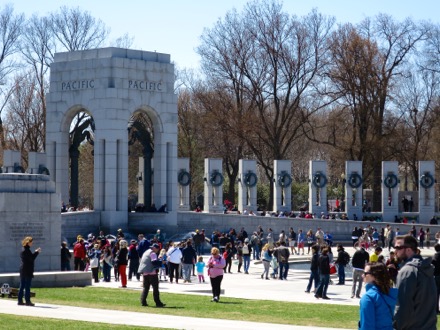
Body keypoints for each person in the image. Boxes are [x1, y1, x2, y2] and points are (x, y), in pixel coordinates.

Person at [393, 235, 437, 330]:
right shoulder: (427, 268)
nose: (395, 251)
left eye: (398, 247)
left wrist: (396, 325)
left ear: (408, 250)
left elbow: (403, 306)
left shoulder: (407, 271)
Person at [359, 262, 398, 330]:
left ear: (374, 276)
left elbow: (367, 326)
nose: (363, 275)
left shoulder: (368, 297)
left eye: (365, 273)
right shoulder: (392, 294)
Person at [138, 243, 166, 307]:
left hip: (145, 273)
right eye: (157, 249)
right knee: (155, 288)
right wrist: (161, 262)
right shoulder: (153, 254)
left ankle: (143, 301)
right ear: (155, 249)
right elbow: (154, 262)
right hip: (152, 273)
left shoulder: (146, 252)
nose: (158, 251)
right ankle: (158, 302)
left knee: (146, 288)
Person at [18, 236, 41, 306]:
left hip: (23, 270)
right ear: (28, 243)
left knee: (22, 286)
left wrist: (35, 252)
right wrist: (37, 252)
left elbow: (30, 258)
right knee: (27, 286)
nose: (32, 244)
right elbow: (31, 259)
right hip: (27, 270)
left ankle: (20, 301)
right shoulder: (26, 250)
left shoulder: (23, 250)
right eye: (31, 242)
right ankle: (27, 301)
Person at [432, 243, 440, 314]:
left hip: (437, 275)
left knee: (436, 293)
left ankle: (436, 309)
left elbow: (432, 264)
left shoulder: (436, 255)